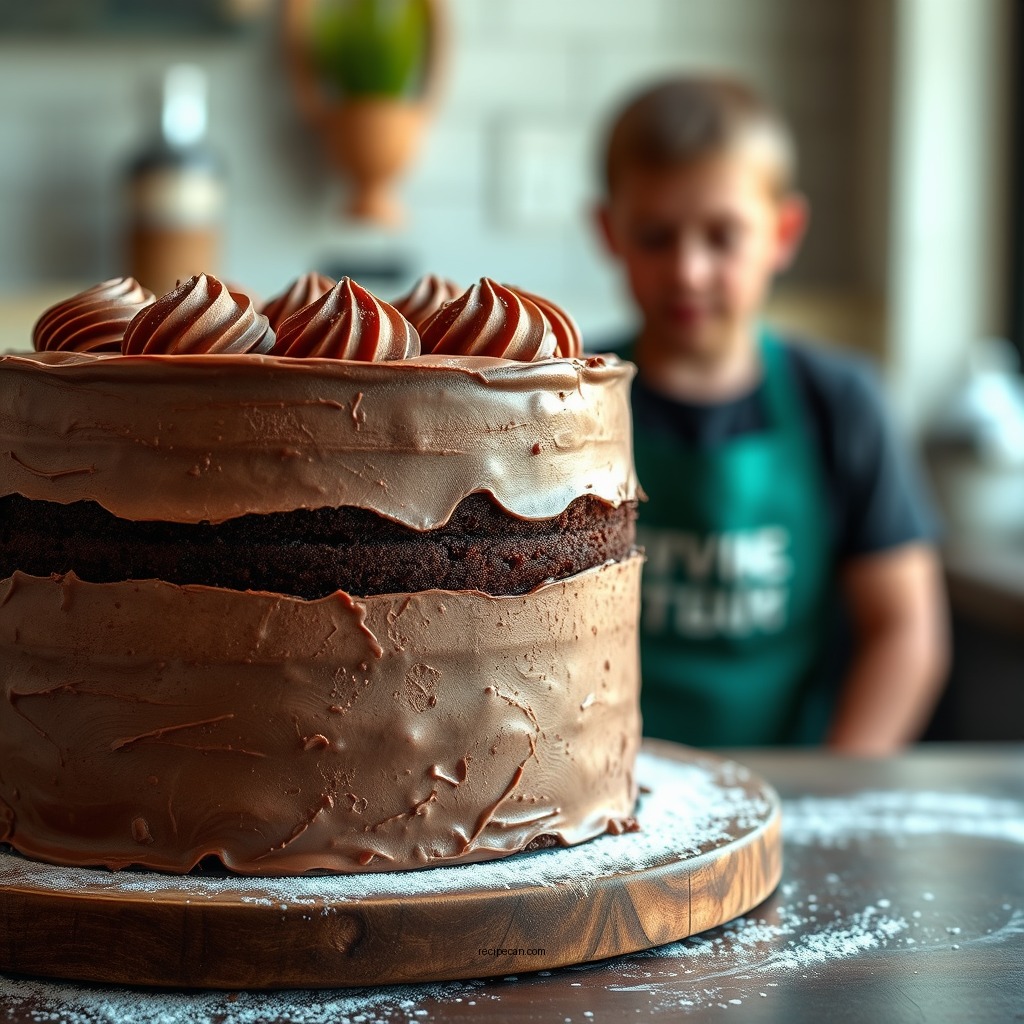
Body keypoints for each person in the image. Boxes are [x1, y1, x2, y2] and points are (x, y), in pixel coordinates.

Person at [593, 76, 949, 753]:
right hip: (603, 799)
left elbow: (907, 631)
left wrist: (834, 787)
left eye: (722, 236)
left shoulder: (841, 403)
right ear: (609, 233)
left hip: (788, 784)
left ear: (783, 234)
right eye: (656, 236)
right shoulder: (563, 402)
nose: (689, 270)